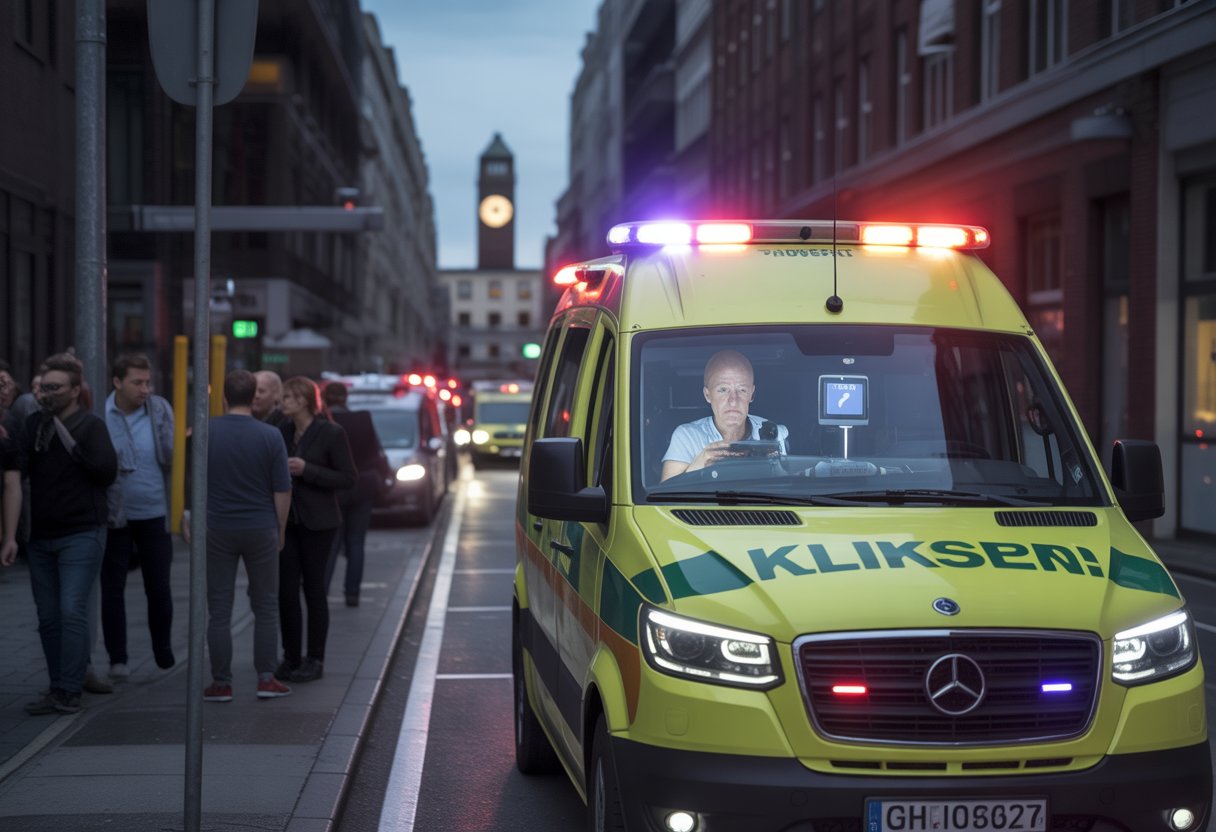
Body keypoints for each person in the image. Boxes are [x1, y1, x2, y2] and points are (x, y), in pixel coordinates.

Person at [2, 353, 117, 714]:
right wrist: (13, 535)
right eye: (44, 387)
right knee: (48, 617)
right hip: (41, 537)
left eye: (55, 388)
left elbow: (106, 472)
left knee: (71, 610)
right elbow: (15, 476)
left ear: (74, 390)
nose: (47, 394)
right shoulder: (33, 425)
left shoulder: (91, 426)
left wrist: (74, 448)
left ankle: (70, 688)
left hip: (82, 532)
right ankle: (57, 686)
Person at [198, 369, 293, 702]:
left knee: (219, 609)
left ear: (223, 396)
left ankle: (221, 683)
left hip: (218, 528)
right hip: (261, 527)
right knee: (266, 606)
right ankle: (266, 679)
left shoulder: (206, 431)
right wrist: (279, 529)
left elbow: (194, 481)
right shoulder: (270, 436)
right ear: (254, 396)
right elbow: (282, 489)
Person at [101, 353, 176, 679]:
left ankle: (162, 646)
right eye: (137, 382)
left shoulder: (159, 410)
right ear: (117, 382)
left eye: (148, 382)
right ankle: (118, 658)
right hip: (114, 515)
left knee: (158, 586)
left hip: (155, 511)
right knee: (112, 588)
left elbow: (173, 457)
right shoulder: (102, 414)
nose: (145, 389)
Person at [275, 376, 355, 683]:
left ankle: (315, 657)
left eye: (289, 398)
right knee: (286, 591)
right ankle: (291, 656)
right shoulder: (281, 431)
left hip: (319, 522)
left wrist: (309, 470)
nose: (283, 403)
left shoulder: (330, 432)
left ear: (305, 400)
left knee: (314, 589)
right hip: (287, 520)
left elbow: (348, 477)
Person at [661, 349, 789, 481]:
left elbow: (783, 487)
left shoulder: (771, 432)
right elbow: (663, 495)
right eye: (723, 390)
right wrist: (697, 467)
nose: (733, 401)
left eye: (742, 390)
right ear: (707, 395)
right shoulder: (687, 437)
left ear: (752, 394)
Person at [321, 380, 391, 607]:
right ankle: (352, 593)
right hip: (363, 484)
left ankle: (321, 591)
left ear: (324, 399)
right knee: (356, 541)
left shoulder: (325, 422)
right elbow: (375, 450)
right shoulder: (363, 418)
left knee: (331, 541)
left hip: (334, 487)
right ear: (345, 398)